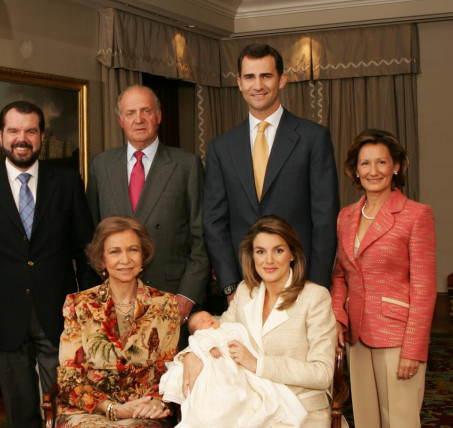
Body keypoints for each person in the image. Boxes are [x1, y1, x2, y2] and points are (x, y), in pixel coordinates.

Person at [0, 101, 94, 427]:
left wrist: (83, 303)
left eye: (30, 131)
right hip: (5, 312)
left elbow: (86, 248)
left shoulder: (67, 182)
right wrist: (3, 282)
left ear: (41, 136)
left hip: (59, 312)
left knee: (62, 407)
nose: (23, 138)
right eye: (15, 130)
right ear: (0, 135)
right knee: (20, 413)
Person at [203, 43, 339, 302]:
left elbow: (325, 219)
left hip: (300, 283)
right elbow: (214, 222)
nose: (258, 85)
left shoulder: (313, 138)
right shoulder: (221, 147)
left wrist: (316, 287)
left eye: (266, 76)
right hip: (245, 287)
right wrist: (231, 287)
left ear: (282, 79)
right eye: (250, 77)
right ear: (239, 83)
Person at [182, 215, 337, 427]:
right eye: (260, 252)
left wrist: (258, 364)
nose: (269, 260)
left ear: (292, 254)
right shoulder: (246, 292)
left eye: (279, 250)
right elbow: (216, 332)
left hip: (302, 410)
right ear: (252, 256)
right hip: (253, 407)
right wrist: (192, 354)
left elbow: (322, 373)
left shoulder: (315, 297)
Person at [330, 129, 436, 428]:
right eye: (365, 163)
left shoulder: (416, 214)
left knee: (400, 421)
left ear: (396, 166)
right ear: (355, 169)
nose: (373, 171)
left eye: (381, 162)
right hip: (357, 336)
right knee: (366, 421)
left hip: (398, 338)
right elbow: (340, 274)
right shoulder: (345, 216)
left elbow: (425, 289)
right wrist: (338, 316)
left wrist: (414, 350)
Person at [86, 84, 209, 337]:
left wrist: (187, 295)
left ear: (159, 116)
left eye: (146, 111)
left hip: (171, 300)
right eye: (130, 113)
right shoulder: (101, 165)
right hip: (115, 303)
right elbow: (92, 236)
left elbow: (202, 239)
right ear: (121, 120)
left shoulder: (187, 165)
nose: (138, 119)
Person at [56, 215, 180, 427]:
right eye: (115, 251)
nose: (125, 259)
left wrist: (157, 403)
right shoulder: (79, 305)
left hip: (142, 412)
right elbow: (69, 379)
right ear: (102, 259)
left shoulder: (165, 305)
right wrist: (114, 409)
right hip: (89, 412)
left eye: (133, 250)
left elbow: (167, 371)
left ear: (143, 255)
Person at [159, 310, 308, 428]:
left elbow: (238, 332)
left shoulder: (226, 327)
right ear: (196, 330)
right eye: (202, 321)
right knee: (224, 391)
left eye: (209, 316)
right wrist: (206, 349)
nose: (208, 319)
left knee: (252, 391)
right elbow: (198, 341)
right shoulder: (203, 335)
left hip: (240, 363)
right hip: (219, 366)